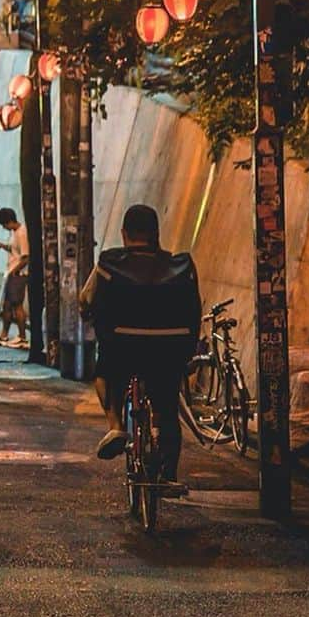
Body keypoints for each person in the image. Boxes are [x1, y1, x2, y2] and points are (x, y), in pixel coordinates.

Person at [79, 203, 201, 488]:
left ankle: (116, 427)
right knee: (167, 407)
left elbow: (86, 298)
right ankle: (168, 473)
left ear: (124, 233)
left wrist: (89, 314)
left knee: (105, 375)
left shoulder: (109, 263)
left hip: (122, 349)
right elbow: (194, 307)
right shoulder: (180, 266)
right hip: (169, 350)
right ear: (156, 233)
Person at [0, 207, 29, 347]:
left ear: (9, 221)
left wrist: (14, 271)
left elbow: (25, 257)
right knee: (7, 305)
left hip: (18, 273)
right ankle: (4, 334)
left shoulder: (22, 233)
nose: (4, 228)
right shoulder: (14, 233)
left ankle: (22, 336)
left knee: (17, 304)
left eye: (4, 224)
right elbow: (16, 251)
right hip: (11, 272)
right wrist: (3, 246)